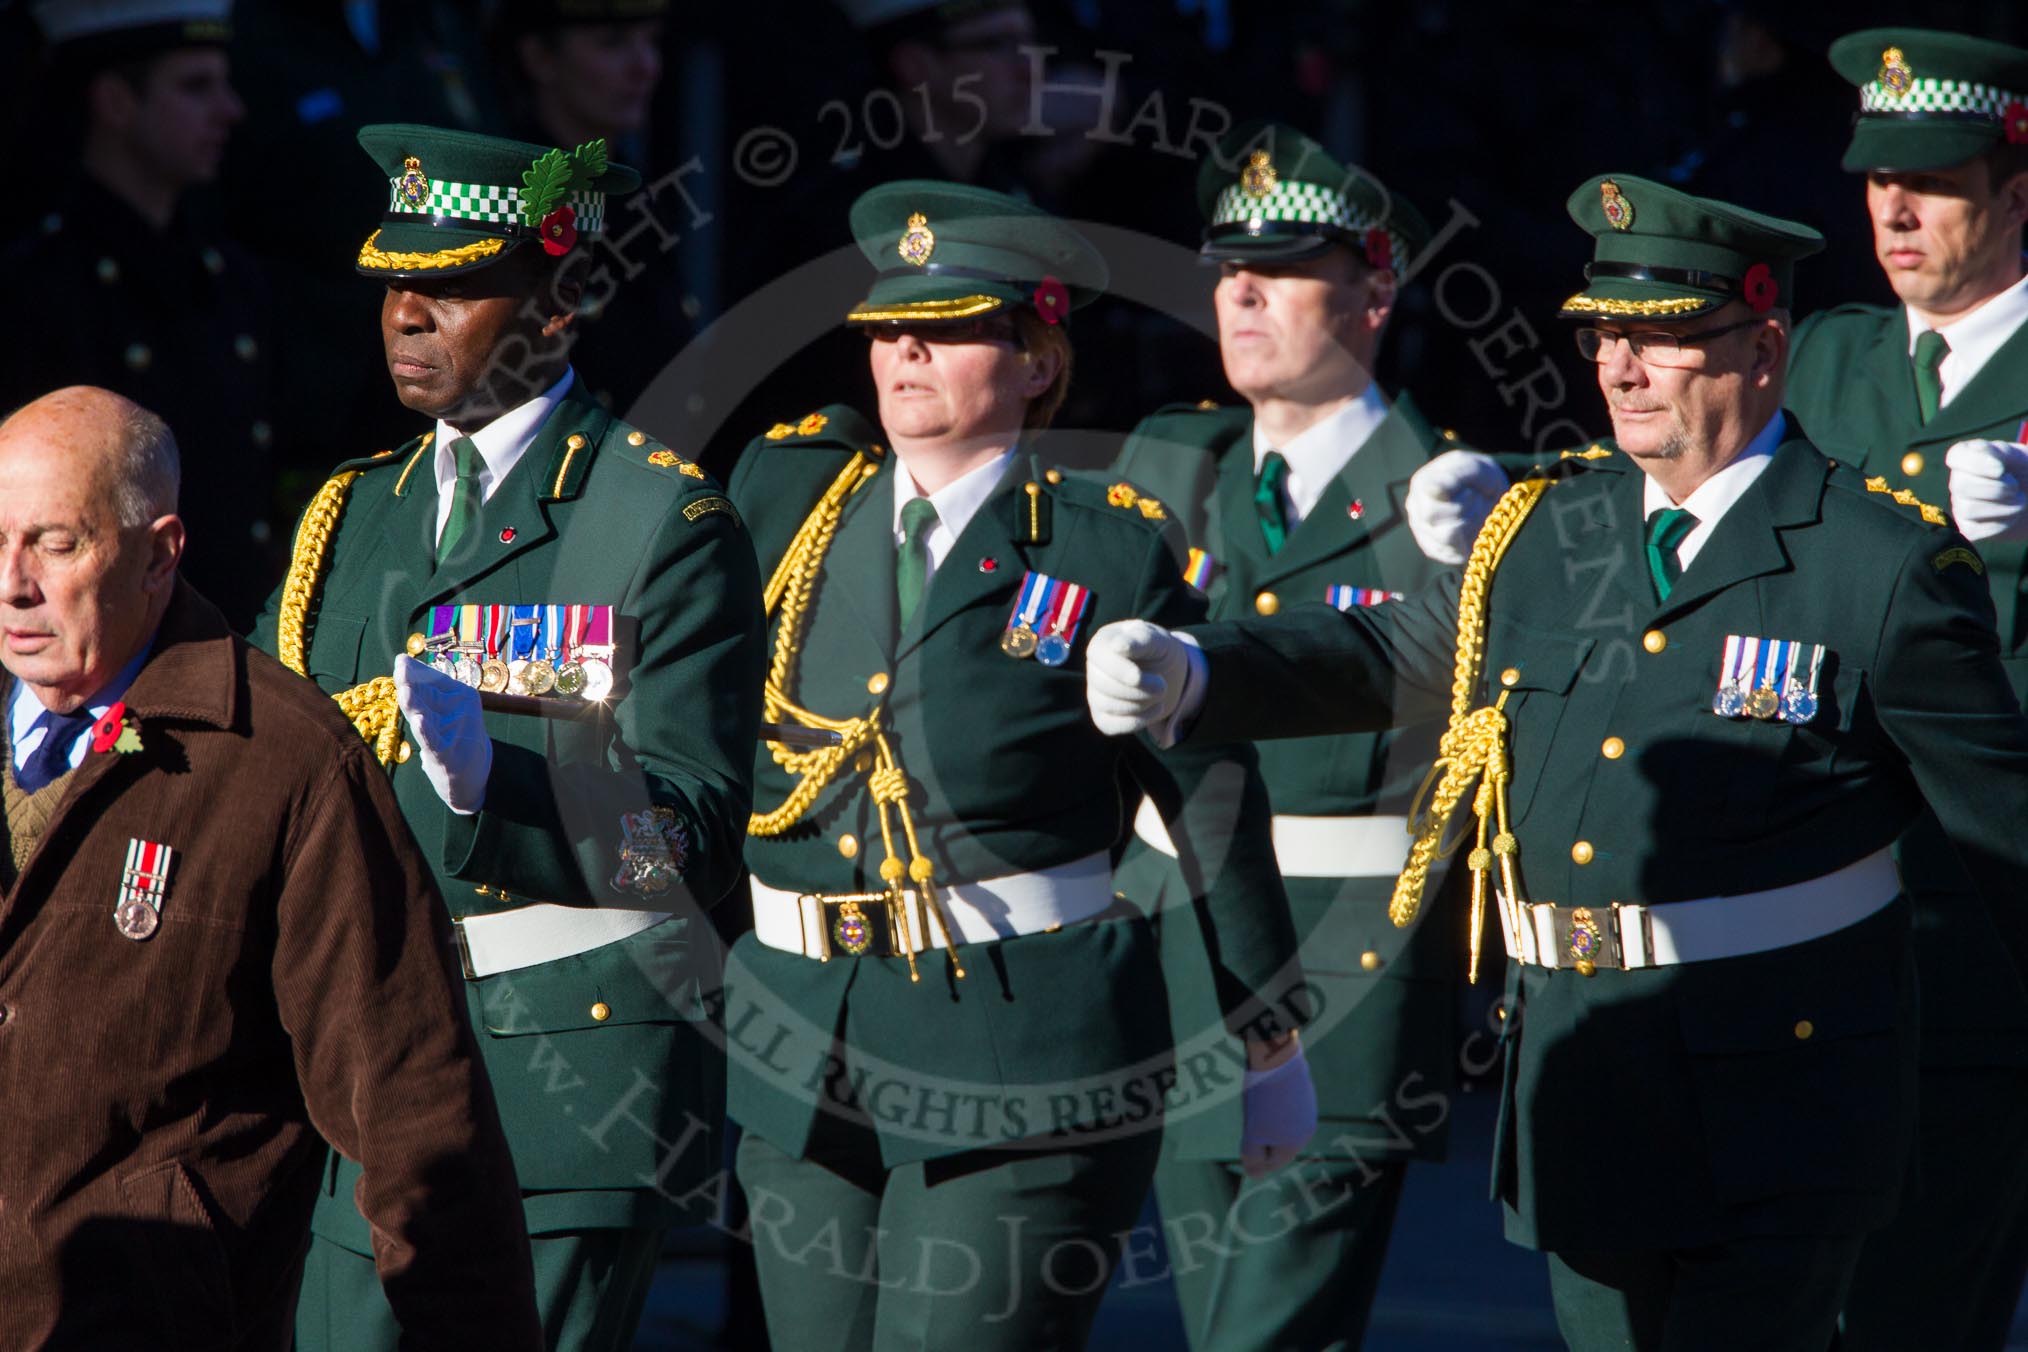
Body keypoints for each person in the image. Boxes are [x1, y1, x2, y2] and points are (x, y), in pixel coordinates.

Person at [1086, 175, 2028, 1351]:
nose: (1624, 367)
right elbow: (1396, 644)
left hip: (1786, 1097)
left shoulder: (1878, 564)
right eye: (1605, 337)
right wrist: (1198, 671)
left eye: (1665, 338)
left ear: (1766, 347)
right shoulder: (1550, 531)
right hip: (1585, 1081)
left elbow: (2003, 830)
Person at [721, 180, 1315, 1350]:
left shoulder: (1103, 548)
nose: (905, 354)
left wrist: (1265, 1030)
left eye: (946, 329)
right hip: (807, 1037)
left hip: (1023, 1051)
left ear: (1038, 359)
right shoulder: (792, 506)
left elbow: (1208, 791)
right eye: (890, 330)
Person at [247, 124, 766, 1352]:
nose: (407, 312)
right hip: (351, 1076)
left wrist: (507, 786)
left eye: (456, 283)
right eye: (394, 282)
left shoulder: (661, 524)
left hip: (550, 1083)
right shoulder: (352, 512)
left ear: (567, 296)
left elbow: (682, 850)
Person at [0, 386, 541, 1351]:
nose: (11, 583)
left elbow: (416, 1114)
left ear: (161, 553)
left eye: (55, 542)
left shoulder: (280, 760)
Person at [1107, 122, 1459, 1352]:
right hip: (1182, 934)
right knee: (1221, 1324)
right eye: (1225, 268)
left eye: (1285, 266)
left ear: (1375, 290)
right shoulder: (1171, 462)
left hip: (1343, 950)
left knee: (1269, 1328)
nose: (1240, 291)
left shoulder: (1451, 497)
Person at [1763, 31, 2028, 1348]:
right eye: (1877, 178)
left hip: (1990, 929)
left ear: (2018, 188)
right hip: (1817, 922)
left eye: (1933, 179)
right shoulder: (1825, 363)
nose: (1894, 208)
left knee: (1933, 1303)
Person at [3, 0, 280, 630]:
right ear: (116, 102)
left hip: (230, 632)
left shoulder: (232, 278)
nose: (230, 110)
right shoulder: (33, 292)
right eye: (194, 86)